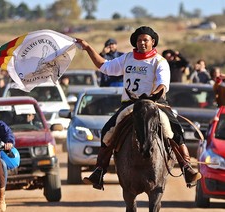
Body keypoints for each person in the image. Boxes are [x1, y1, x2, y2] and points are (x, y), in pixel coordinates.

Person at [75, 26, 201, 190]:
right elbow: (104, 66)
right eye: (139, 40)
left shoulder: (160, 61)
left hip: (154, 103)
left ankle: (186, 167)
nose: (142, 43)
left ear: (152, 42)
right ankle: (99, 171)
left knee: (175, 129)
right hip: (130, 104)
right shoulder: (127, 58)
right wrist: (87, 48)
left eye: (145, 40)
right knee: (108, 131)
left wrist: (151, 97)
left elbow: (163, 84)